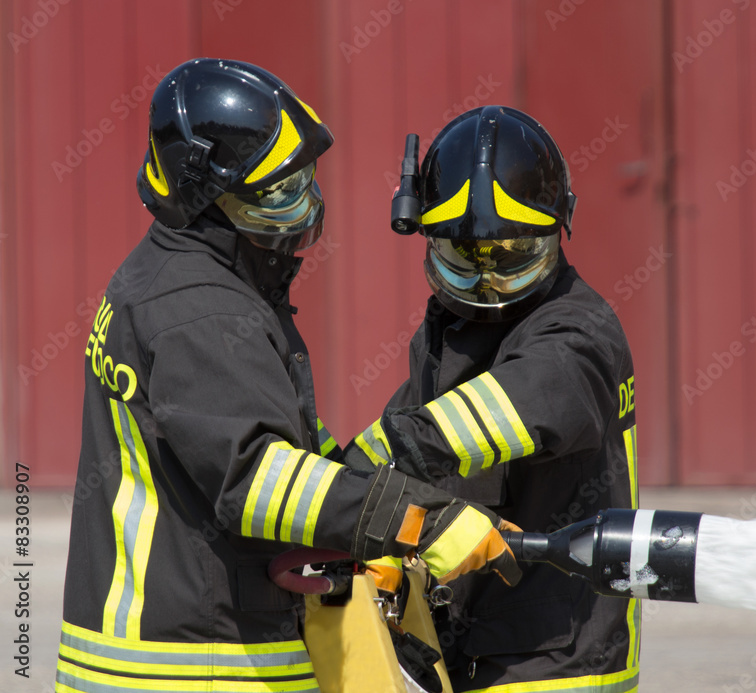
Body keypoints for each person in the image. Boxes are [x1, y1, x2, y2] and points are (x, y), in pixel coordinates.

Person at [56, 59, 519, 693]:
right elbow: (254, 476)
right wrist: (420, 520)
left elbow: (257, 429)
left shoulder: (167, 274)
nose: (303, 207)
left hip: (156, 645)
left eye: (302, 181)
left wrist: (359, 499)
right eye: (276, 194)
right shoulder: (201, 308)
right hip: (195, 663)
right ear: (207, 195)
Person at [344, 105, 641, 692]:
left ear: (558, 231)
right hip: (477, 645)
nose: (487, 284)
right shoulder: (451, 326)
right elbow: (409, 423)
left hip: (552, 663)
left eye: (512, 260)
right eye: (462, 262)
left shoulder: (577, 334)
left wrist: (346, 483)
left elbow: (472, 424)